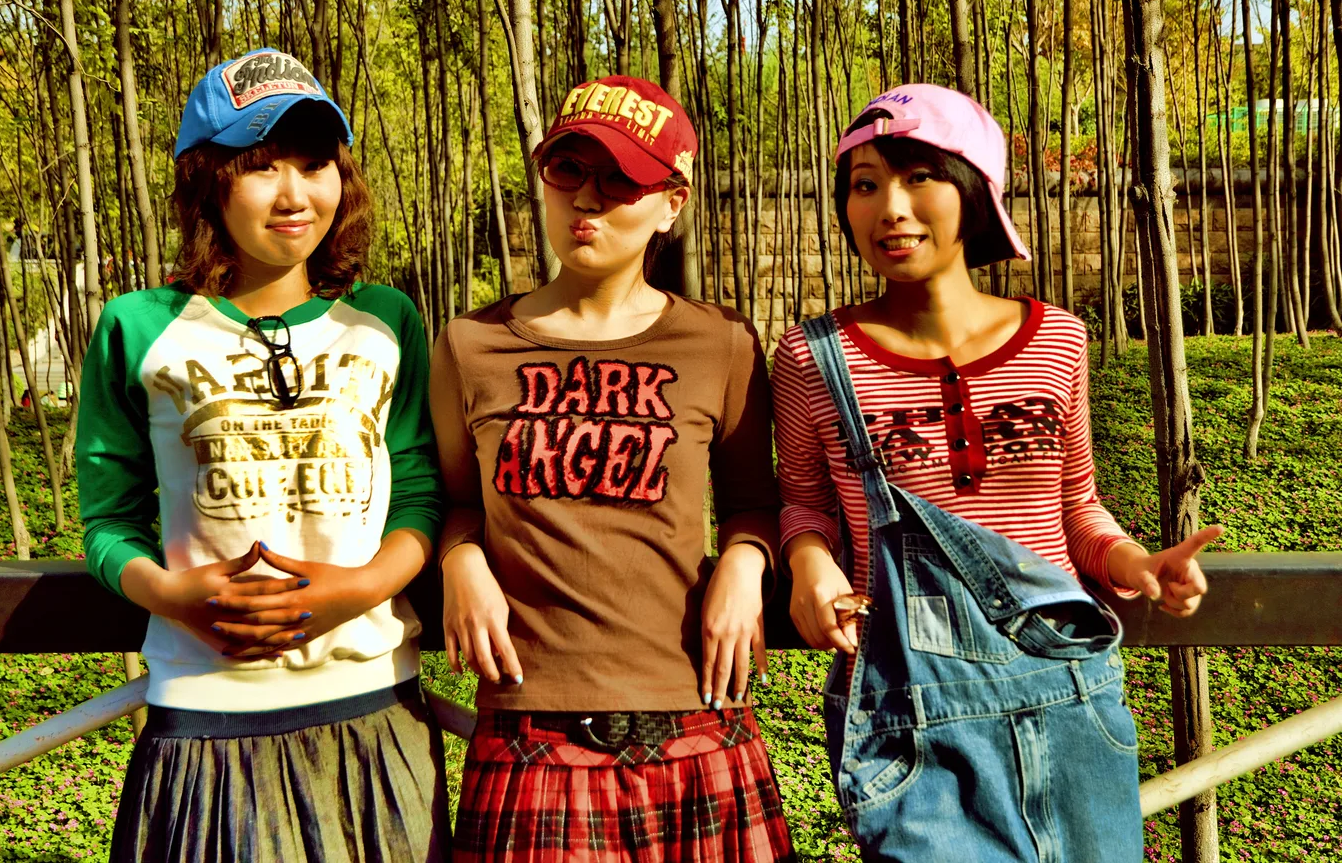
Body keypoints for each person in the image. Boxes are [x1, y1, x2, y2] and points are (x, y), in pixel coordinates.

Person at [772, 83, 1217, 860]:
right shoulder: (812, 357)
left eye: (919, 178)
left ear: (974, 187)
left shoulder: (1057, 340)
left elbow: (1076, 506)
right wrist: (809, 564)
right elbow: (804, 503)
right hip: (909, 716)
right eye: (865, 185)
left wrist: (1136, 563)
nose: (890, 209)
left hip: (1070, 694)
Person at [77, 47, 450, 863]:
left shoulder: (386, 320)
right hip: (203, 717)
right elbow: (106, 519)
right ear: (207, 181)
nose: (293, 195)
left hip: (375, 707)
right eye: (259, 166)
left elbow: (420, 489)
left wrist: (362, 588)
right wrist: (171, 594)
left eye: (314, 165)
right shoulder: (138, 327)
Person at [430, 75, 795, 862]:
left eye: (621, 178)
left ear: (672, 203)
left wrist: (744, 562)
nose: (587, 198)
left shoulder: (722, 343)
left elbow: (754, 502)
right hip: (529, 730)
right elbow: (455, 500)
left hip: (697, 715)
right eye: (568, 169)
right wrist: (460, 559)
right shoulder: (469, 345)